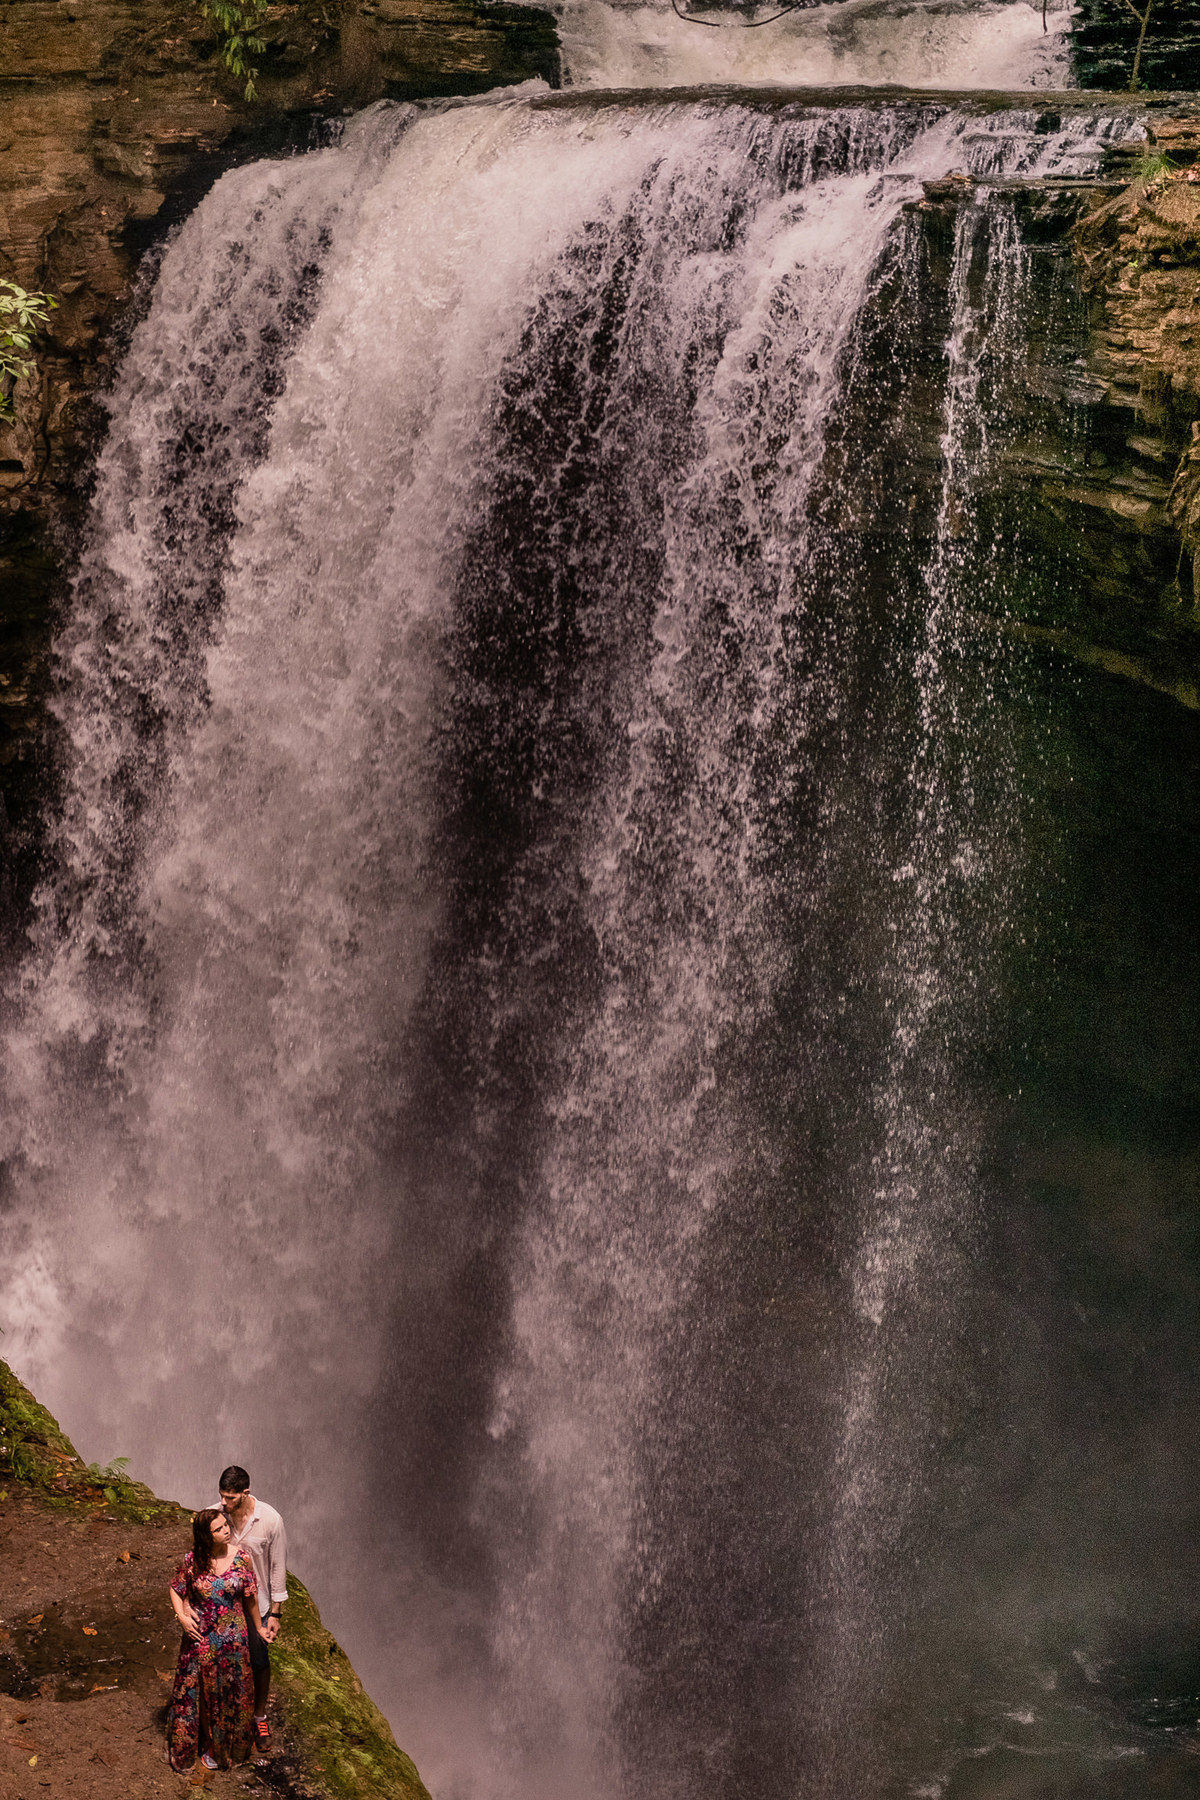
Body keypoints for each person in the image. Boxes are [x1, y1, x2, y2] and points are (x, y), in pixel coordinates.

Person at [166, 1507, 265, 1772]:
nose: (226, 1532)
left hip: (233, 1639)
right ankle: (199, 1743)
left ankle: (227, 1748)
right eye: (219, 1530)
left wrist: (259, 1628)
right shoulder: (193, 1560)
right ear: (205, 1536)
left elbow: (251, 1598)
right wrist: (182, 1617)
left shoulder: (243, 1558)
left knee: (232, 1693)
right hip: (200, 1637)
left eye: (226, 1526)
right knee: (197, 1692)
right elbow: (176, 1589)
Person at [214, 1464, 288, 1746]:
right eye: (221, 1496)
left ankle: (259, 1717)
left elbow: (278, 1567)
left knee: (259, 1660)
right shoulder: (216, 1516)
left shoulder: (271, 1521)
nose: (224, 1503)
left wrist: (276, 1614)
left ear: (245, 1493)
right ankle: (227, 1715)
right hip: (223, 1604)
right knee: (222, 1660)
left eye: (230, 1498)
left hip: (259, 1604)